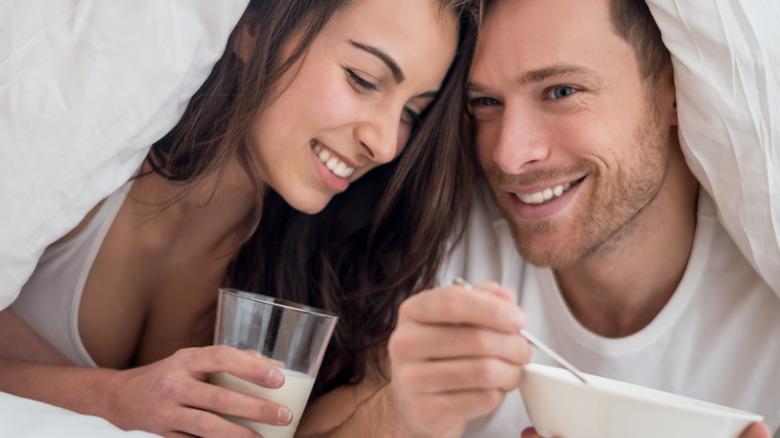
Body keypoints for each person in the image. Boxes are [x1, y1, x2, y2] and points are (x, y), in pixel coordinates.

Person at [294, 0, 780, 437]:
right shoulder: (455, 250)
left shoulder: (765, 291)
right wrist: (399, 415)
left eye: (561, 90)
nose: (508, 155)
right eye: (486, 103)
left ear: (674, 90)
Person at [0, 0, 480, 436]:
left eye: (412, 112)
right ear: (250, 30)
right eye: (364, 79)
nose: (386, 144)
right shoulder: (82, 174)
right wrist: (109, 398)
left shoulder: (336, 271)